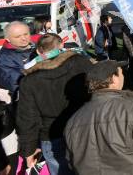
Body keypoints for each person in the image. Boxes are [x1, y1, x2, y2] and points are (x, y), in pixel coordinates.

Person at [64, 60, 133, 175]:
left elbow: (72, 162)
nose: (123, 75)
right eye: (121, 73)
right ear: (113, 79)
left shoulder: (72, 121)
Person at [16, 33, 94, 175]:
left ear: (39, 51)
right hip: (83, 128)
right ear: (61, 45)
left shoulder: (29, 80)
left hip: (53, 136)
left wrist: (28, 150)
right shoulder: (81, 62)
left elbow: (27, 118)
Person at [0, 21, 35, 98]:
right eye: (17, 36)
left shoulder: (37, 47)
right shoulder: (3, 59)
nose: (23, 38)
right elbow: (15, 84)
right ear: (8, 39)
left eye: (26, 34)